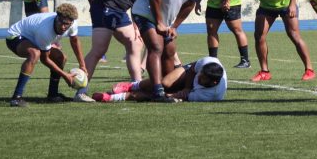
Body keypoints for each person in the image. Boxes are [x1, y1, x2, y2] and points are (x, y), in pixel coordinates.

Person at [73, 0, 176, 103]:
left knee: (135, 43)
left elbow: (138, 3)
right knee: (99, 50)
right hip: (104, 7)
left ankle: (137, 84)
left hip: (120, 11)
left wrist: (135, 25)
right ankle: (81, 90)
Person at [131, 0, 206, 102]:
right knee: (156, 46)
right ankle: (158, 91)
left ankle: (167, 86)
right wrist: (158, 22)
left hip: (165, 20)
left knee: (170, 49)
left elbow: (189, 5)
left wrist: (174, 26)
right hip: (144, 11)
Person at [5, 3, 86, 107]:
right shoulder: (45, 30)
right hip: (15, 36)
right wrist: (64, 75)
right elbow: (45, 59)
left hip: (34, 37)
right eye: (61, 22)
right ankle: (16, 98)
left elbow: (74, 40)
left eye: (67, 24)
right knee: (35, 54)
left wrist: (82, 65)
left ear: (72, 22)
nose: (63, 26)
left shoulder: (73, 23)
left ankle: (53, 95)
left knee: (61, 58)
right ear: (57, 17)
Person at [93, 57, 227, 103]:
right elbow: (192, 69)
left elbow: (179, 96)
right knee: (164, 83)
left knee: (160, 95)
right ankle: (131, 85)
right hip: (187, 73)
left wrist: (173, 95)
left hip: (190, 93)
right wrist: (186, 87)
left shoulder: (210, 95)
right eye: (201, 74)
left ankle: (115, 98)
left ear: (213, 83)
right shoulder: (209, 62)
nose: (199, 78)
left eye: (202, 79)